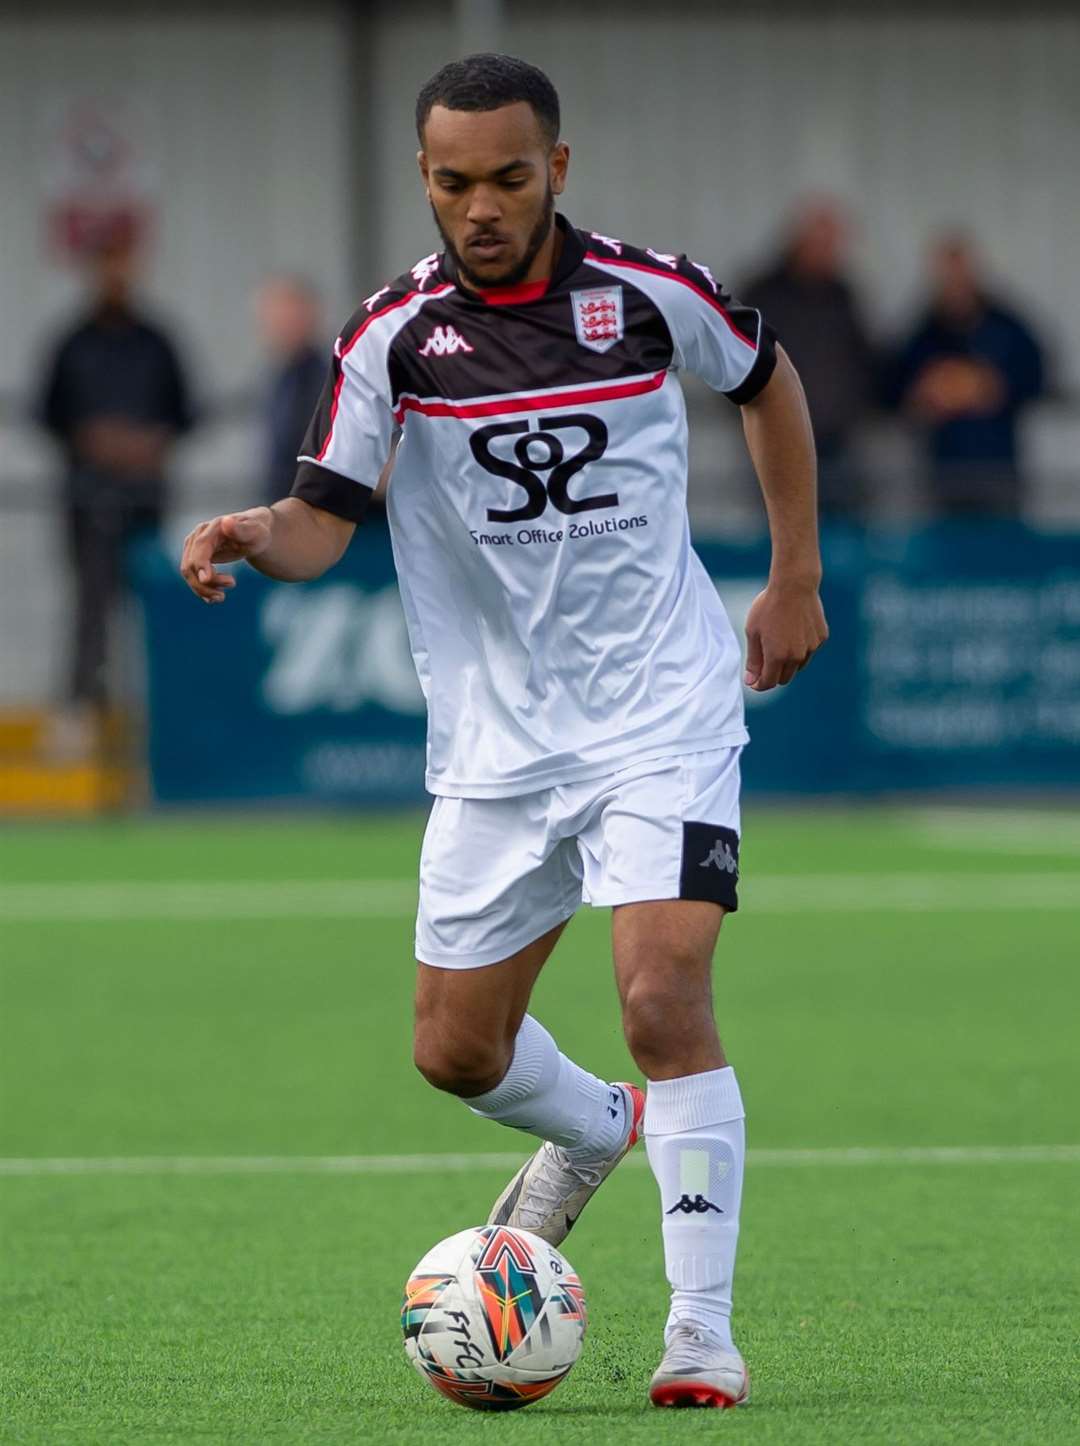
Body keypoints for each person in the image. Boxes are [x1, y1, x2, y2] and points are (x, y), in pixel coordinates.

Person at [181, 54, 827, 1409]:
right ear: (425, 177)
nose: (481, 206)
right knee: (455, 1051)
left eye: (509, 178)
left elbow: (767, 381)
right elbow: (321, 518)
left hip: (663, 707)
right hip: (498, 745)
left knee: (662, 993)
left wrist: (795, 575)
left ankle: (700, 1334)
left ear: (558, 170)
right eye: (455, 181)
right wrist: (254, 532)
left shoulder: (647, 296)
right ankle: (594, 1128)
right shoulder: (391, 341)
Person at [38, 233, 192, 740]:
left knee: (155, 600)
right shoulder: (72, 341)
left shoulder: (157, 341)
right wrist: (95, 441)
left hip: (146, 500)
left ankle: (159, 715)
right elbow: (50, 414)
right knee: (92, 607)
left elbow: (184, 412)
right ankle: (82, 714)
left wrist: (147, 444)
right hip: (88, 500)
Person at [886, 233, 1045, 518]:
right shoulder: (922, 334)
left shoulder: (1006, 326)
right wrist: (924, 397)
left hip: (997, 467)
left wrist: (991, 387)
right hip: (943, 471)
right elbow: (893, 390)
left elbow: (1036, 377)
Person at [742, 199, 876, 518]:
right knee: (780, 527)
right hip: (776, 435)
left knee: (840, 529)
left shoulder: (844, 296)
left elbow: (866, 360)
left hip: (837, 439)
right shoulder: (764, 294)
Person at [255, 275, 327, 504]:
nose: (283, 325)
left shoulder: (326, 378)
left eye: (291, 316)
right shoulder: (277, 378)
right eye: (277, 317)